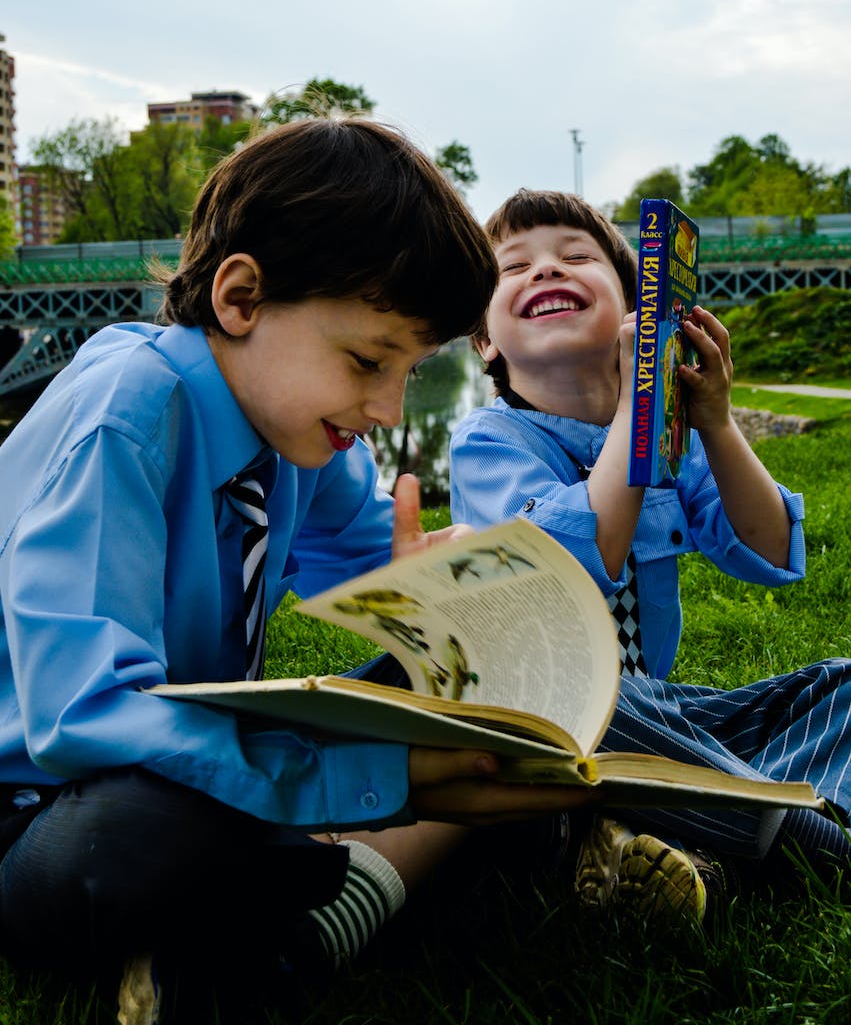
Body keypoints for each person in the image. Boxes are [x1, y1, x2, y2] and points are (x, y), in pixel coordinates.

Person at [0, 129, 599, 1025]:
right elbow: (83, 718)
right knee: (150, 831)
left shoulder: (299, 433)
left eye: (408, 370)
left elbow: (376, 580)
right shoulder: (123, 416)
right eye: (367, 360)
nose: (389, 409)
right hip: (43, 803)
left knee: (484, 703)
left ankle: (277, 920)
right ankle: (343, 880)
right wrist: (383, 773)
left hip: (177, 762)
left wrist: (449, 600)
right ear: (241, 297)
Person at [450, 188, 851, 918]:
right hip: (547, 716)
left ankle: (691, 853)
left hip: (655, 717)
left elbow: (766, 551)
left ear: (634, 310)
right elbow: (577, 557)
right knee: (586, 692)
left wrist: (716, 424)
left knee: (838, 685)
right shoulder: (488, 443)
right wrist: (639, 409)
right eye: (515, 268)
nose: (546, 270)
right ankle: (805, 834)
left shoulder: (673, 435)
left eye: (576, 257)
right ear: (484, 340)